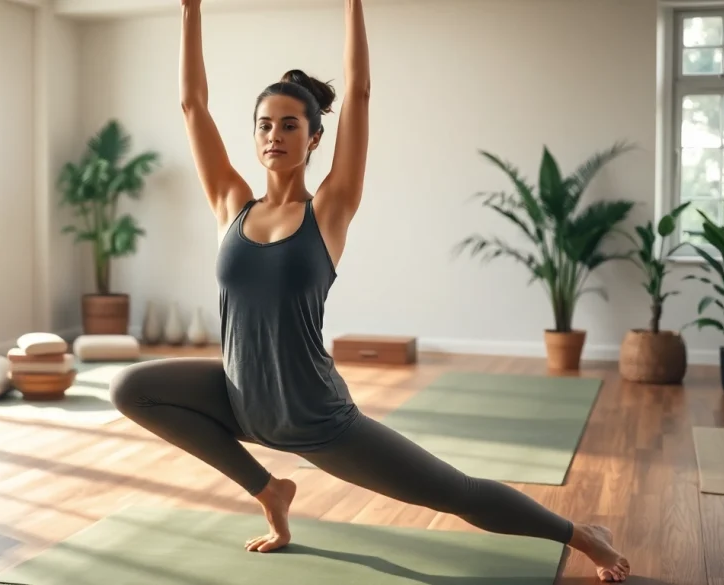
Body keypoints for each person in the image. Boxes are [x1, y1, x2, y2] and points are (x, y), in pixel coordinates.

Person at [108, 0, 630, 581]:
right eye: (264, 124)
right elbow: (191, 105)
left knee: (453, 492)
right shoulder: (232, 204)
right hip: (240, 397)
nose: (274, 135)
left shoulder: (329, 210)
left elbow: (357, 93)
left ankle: (587, 537)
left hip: (315, 416)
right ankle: (270, 489)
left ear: (313, 139)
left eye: (289, 125)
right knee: (132, 386)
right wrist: (190, 10)